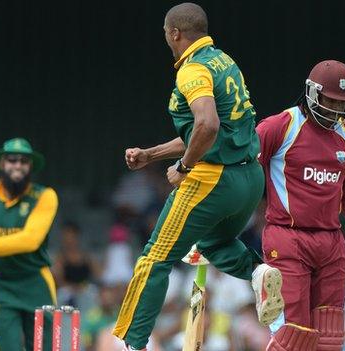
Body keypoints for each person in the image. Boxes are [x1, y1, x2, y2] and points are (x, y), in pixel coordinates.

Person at [112, 3, 283, 350]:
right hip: (248, 180)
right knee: (212, 243)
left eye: (165, 32)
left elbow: (207, 125)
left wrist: (183, 168)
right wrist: (152, 154)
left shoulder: (193, 70)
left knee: (155, 258)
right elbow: (206, 132)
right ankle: (258, 273)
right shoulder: (225, 62)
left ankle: (133, 343)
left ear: (174, 33)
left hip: (212, 180)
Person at [256, 60, 345, 350]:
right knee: (293, 337)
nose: (335, 110)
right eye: (330, 101)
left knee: (329, 338)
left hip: (332, 243)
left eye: (343, 104)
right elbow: (241, 174)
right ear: (311, 93)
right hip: (288, 237)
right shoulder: (280, 127)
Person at [0, 138, 59, 351]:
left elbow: (30, 240)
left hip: (36, 282)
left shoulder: (45, 196)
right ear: (1, 164)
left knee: (45, 348)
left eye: (24, 161)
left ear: (30, 166)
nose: (17, 165)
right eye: (12, 160)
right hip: (0, 285)